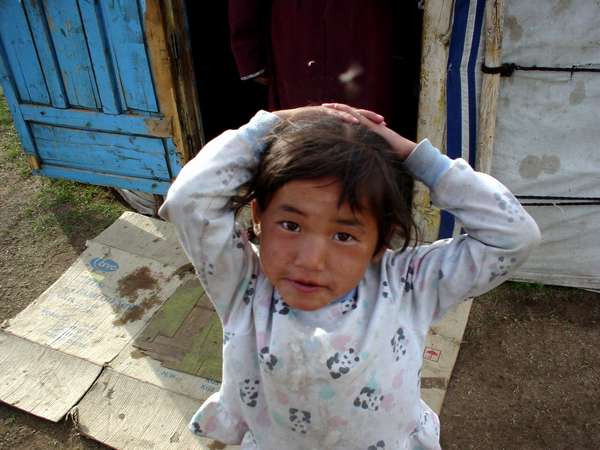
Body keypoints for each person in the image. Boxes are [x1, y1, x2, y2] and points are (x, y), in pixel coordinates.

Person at [159, 104, 541, 449]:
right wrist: (274, 123)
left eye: (344, 235)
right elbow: (188, 199)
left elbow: (513, 236)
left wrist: (415, 156)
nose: (310, 260)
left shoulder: (409, 285)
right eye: (290, 224)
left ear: (380, 241)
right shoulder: (243, 286)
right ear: (258, 217)